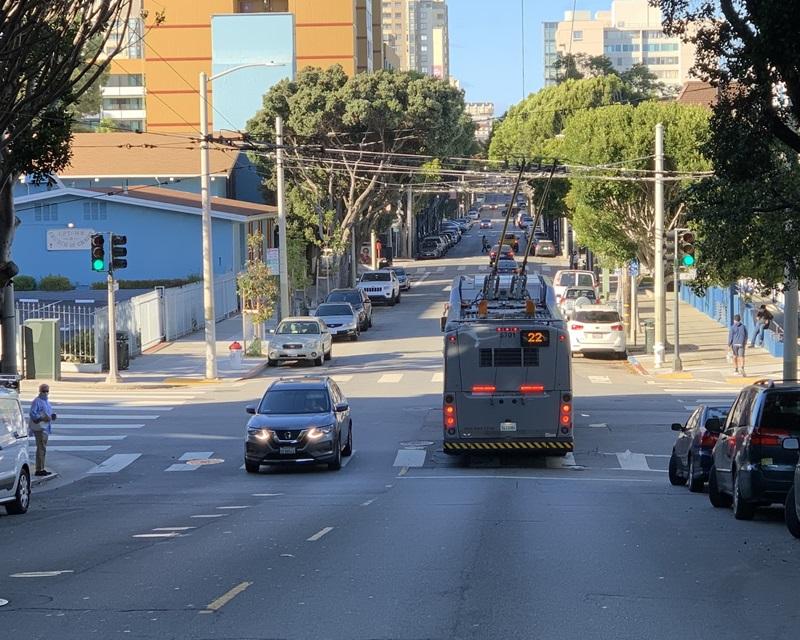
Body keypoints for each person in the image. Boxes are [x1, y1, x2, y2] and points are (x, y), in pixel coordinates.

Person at [29, 383, 57, 477]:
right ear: (40, 391)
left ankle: (41, 467)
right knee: (41, 448)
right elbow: (33, 414)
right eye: (44, 391)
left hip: (45, 427)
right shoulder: (37, 401)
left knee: (42, 448)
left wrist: (52, 417)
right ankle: (39, 469)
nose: (46, 393)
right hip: (40, 428)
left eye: (47, 391)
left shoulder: (47, 402)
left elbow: (48, 414)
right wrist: (42, 418)